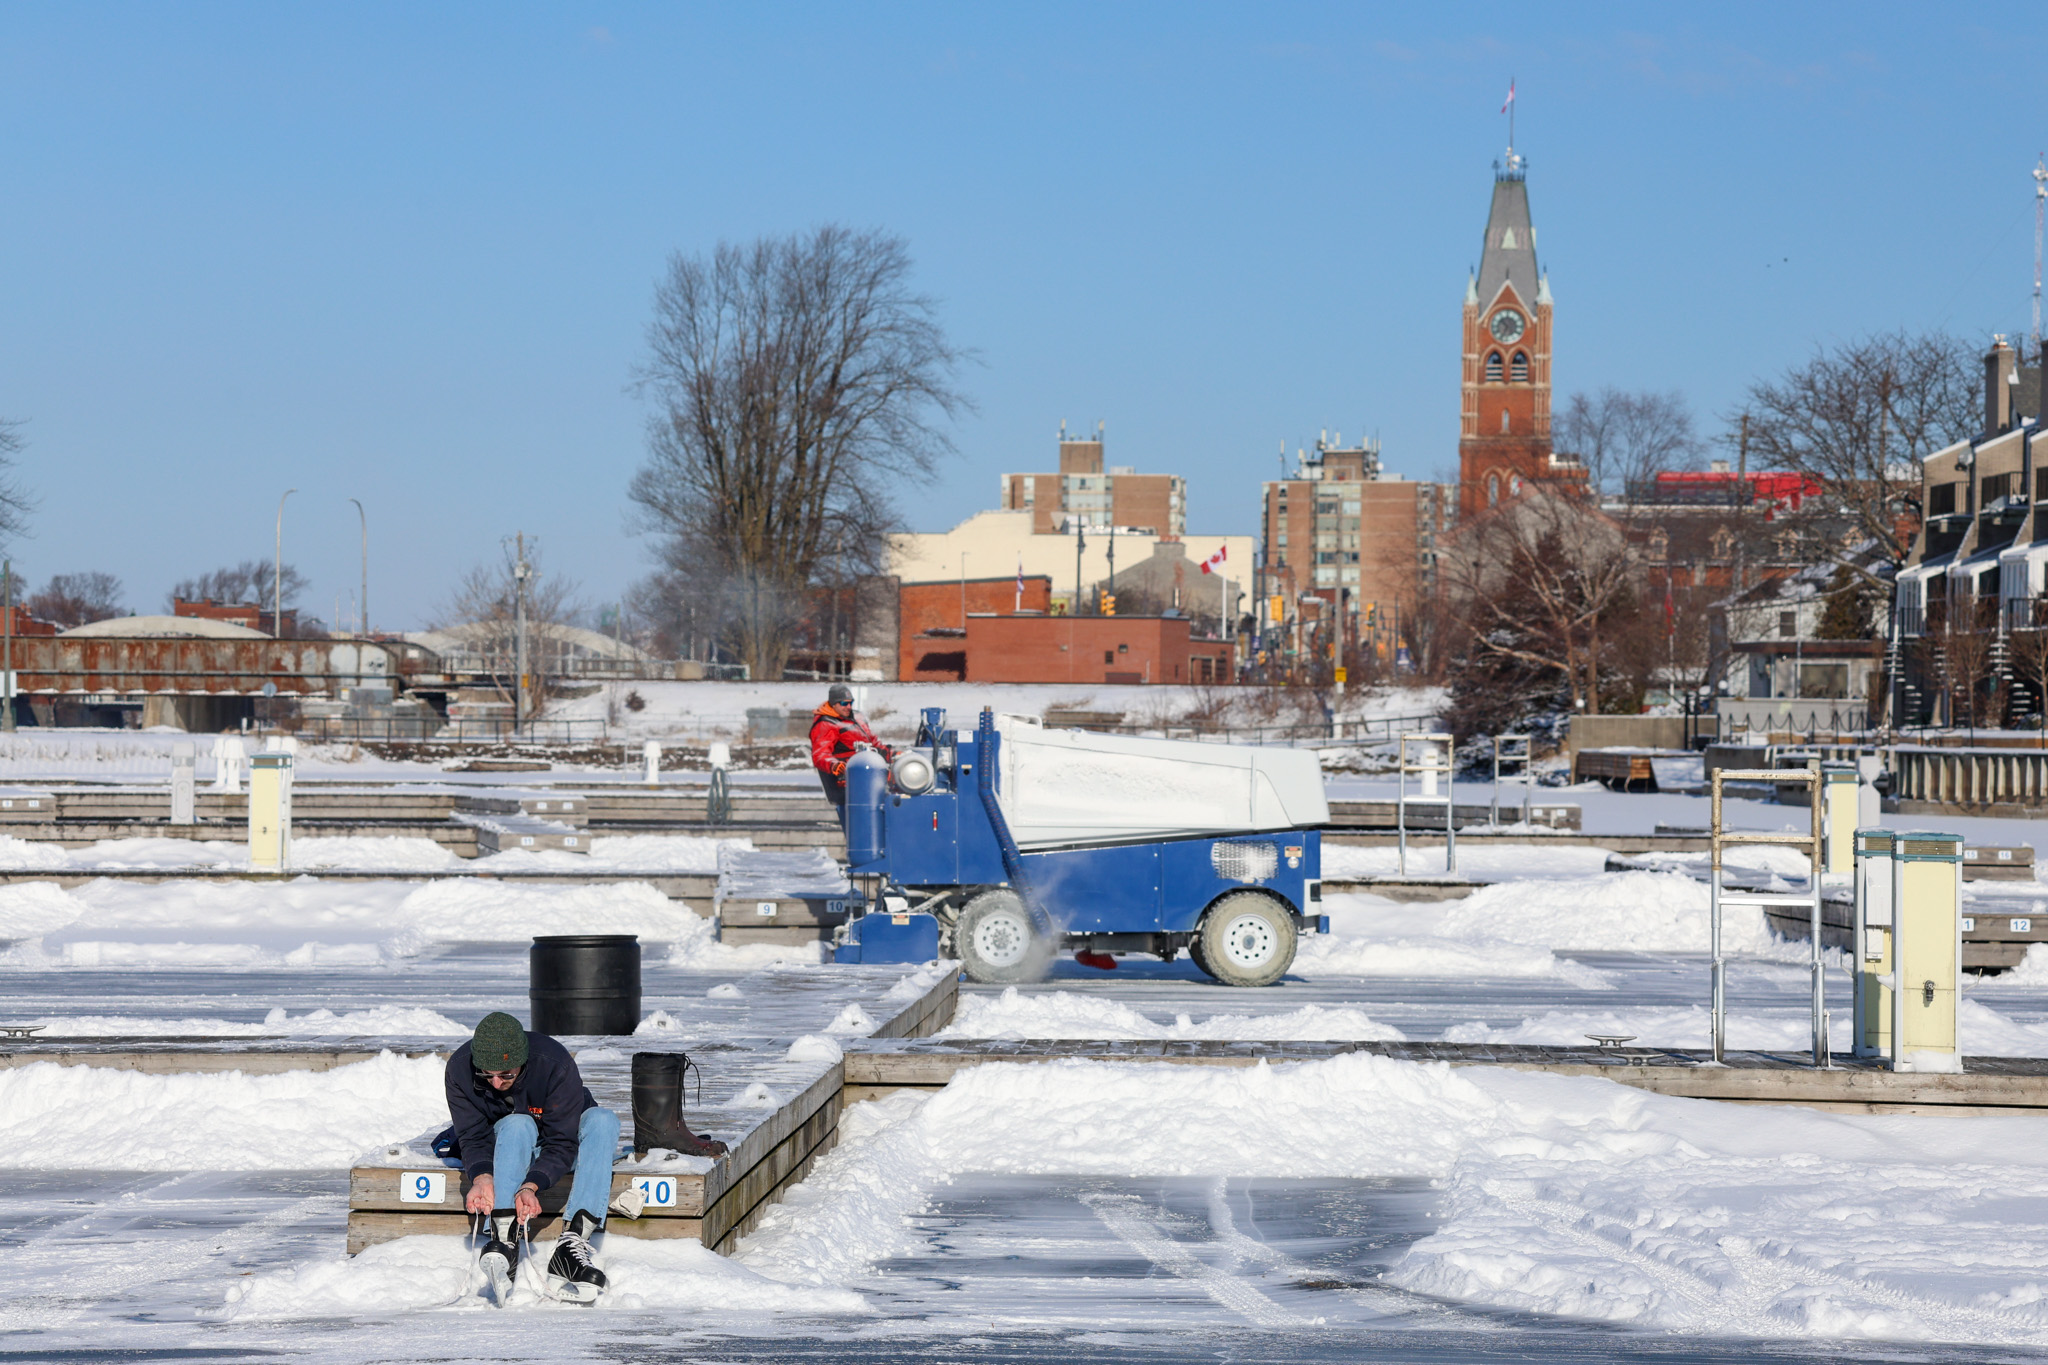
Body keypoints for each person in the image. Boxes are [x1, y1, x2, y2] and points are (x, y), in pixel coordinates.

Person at [444, 1012, 619, 1303]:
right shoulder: (459, 1070)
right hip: (510, 1145)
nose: (497, 1083)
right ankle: (504, 1238)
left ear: (523, 1061)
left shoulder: (555, 1064)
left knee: (604, 1120)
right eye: (487, 1076)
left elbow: (562, 1142)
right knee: (517, 1123)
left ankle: (572, 1245)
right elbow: (472, 1136)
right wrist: (482, 1176)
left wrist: (531, 1185)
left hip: (561, 1143)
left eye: (507, 1075)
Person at [808, 682, 895, 823]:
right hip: (850, 780)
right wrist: (835, 766)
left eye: (851, 702)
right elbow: (820, 754)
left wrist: (891, 754)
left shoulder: (858, 717)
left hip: (871, 774)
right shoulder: (826, 724)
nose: (848, 707)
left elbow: (873, 742)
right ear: (834, 703)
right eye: (844, 703)